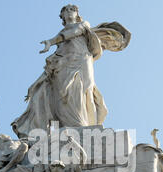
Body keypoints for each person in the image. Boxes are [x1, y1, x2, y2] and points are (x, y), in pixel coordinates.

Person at [11, 4, 108, 138]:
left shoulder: (83, 25)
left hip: (81, 62)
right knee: (63, 97)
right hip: (63, 68)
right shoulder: (60, 43)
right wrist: (33, 86)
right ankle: (70, 130)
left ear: (77, 14)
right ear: (61, 16)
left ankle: (83, 127)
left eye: (72, 10)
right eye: (65, 10)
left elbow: (73, 32)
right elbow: (50, 68)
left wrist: (51, 42)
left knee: (82, 92)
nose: (69, 12)